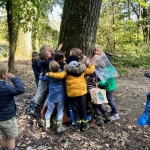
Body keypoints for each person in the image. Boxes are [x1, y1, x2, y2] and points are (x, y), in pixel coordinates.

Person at [46, 54, 95, 132]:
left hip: (72, 94)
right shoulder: (83, 69)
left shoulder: (66, 71)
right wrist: (92, 64)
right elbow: (91, 70)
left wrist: (49, 74)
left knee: (75, 109)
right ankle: (84, 124)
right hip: (82, 93)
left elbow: (59, 76)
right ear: (77, 61)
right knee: (83, 108)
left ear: (68, 63)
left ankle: (77, 125)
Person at [0, 62, 25, 150]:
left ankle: (3, 148)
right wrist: (14, 78)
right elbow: (20, 90)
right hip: (7, 119)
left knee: (4, 135)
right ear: (4, 75)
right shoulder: (7, 88)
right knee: (11, 137)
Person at [39, 60, 66, 133]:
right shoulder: (62, 74)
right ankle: (59, 127)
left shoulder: (49, 76)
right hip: (61, 97)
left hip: (52, 97)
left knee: (49, 110)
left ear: (50, 69)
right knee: (60, 111)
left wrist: (41, 75)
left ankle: (46, 125)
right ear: (58, 66)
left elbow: (42, 79)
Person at [93, 53, 119, 120]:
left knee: (110, 100)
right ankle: (113, 111)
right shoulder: (104, 67)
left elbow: (106, 81)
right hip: (110, 86)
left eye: (94, 59)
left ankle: (116, 114)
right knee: (109, 100)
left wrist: (99, 83)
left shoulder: (105, 69)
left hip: (109, 87)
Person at [87, 55, 110, 126]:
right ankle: (106, 116)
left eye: (93, 58)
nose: (91, 59)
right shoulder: (101, 68)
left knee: (94, 104)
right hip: (97, 88)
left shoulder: (92, 69)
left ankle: (100, 118)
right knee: (100, 103)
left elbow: (90, 79)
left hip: (91, 89)